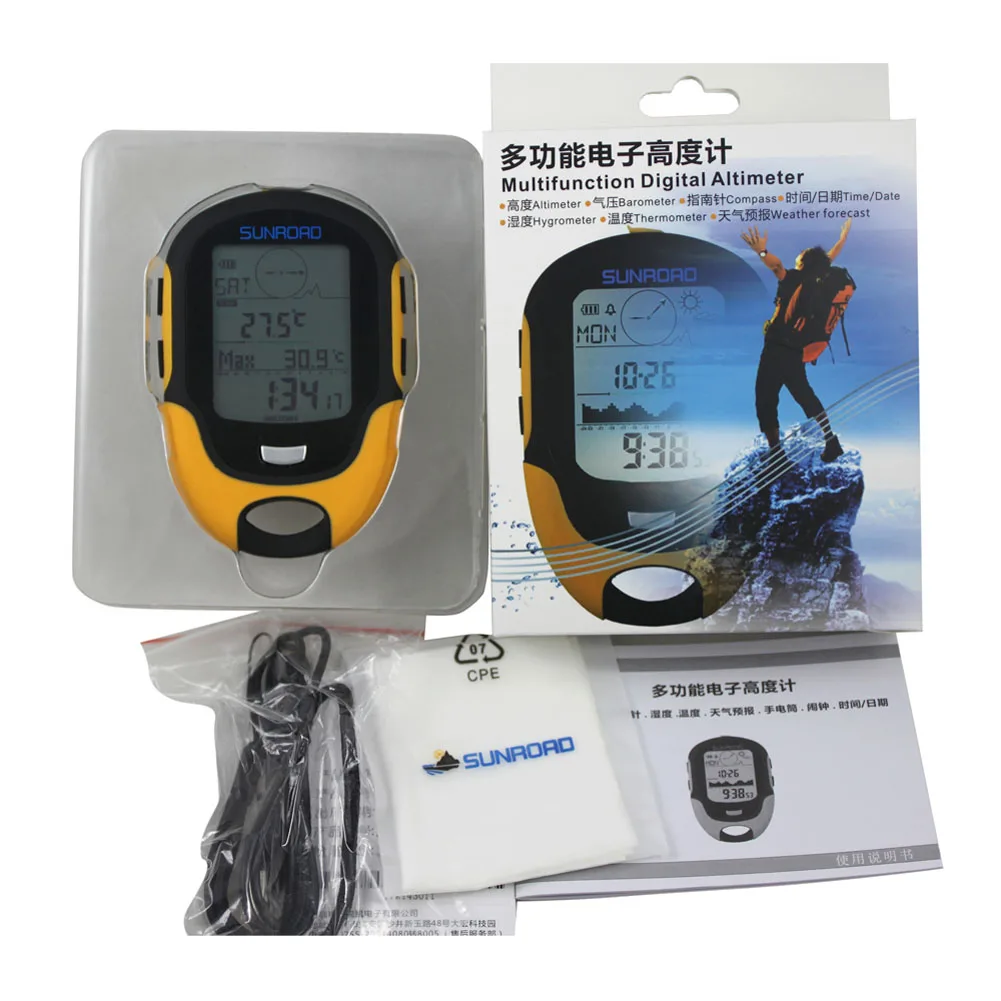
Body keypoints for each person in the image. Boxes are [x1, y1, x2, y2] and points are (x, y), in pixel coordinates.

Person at [741, 219, 852, 463]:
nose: (797, 257)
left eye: (800, 255)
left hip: (776, 349)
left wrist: (761, 251)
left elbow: (776, 266)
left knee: (765, 399)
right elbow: (828, 259)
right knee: (805, 395)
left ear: (803, 263)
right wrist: (841, 241)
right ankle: (831, 440)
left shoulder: (793, 279)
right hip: (796, 351)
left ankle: (777, 454)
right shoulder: (819, 284)